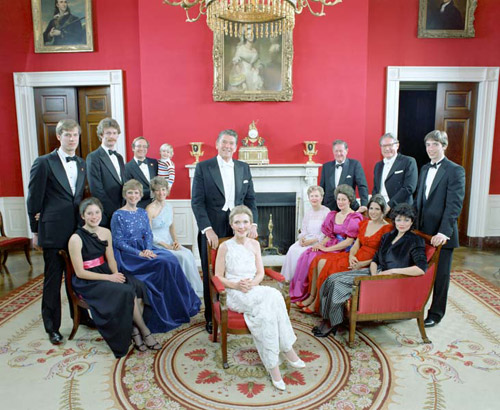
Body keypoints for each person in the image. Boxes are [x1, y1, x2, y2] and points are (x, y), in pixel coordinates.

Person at [215, 205, 305, 391]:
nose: (241, 226)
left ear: (250, 224)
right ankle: (285, 353)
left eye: (245, 222)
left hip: (252, 289)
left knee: (269, 307)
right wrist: (236, 285)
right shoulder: (225, 247)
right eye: (237, 222)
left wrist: (252, 284)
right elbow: (217, 276)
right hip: (234, 293)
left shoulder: (255, 244)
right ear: (231, 224)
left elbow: (260, 273)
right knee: (272, 298)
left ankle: (276, 363)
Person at [314, 203, 428, 338]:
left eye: (406, 220)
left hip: (391, 279)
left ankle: (333, 323)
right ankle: (327, 318)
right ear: (394, 221)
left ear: (412, 221)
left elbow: (421, 269)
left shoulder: (415, 241)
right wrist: (374, 276)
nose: (402, 224)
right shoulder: (388, 236)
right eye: (398, 220)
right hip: (375, 272)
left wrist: (391, 272)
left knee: (338, 284)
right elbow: (375, 259)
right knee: (331, 279)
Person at [68, 198, 161, 357]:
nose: (94, 216)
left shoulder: (106, 232)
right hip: (88, 281)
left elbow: (111, 259)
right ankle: (144, 331)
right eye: (89, 213)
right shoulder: (75, 239)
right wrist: (109, 278)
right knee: (126, 292)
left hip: (105, 271)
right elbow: (80, 273)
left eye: (97, 212)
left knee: (138, 286)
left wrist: (116, 274)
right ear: (83, 216)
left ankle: (134, 330)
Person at [111, 179, 201, 333]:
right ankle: (164, 312)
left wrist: (147, 249)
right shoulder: (118, 215)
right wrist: (139, 253)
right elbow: (118, 242)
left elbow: (148, 234)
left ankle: (181, 305)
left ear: (140, 195)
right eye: (130, 193)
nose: (133, 196)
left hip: (146, 249)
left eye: (136, 193)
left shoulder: (141, 212)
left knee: (171, 260)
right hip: (129, 256)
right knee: (163, 263)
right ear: (125, 195)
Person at [191, 129, 258, 334]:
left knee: (236, 268)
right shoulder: (203, 167)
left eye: (231, 143)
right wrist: (207, 230)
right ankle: (211, 317)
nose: (227, 146)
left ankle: (239, 310)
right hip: (212, 226)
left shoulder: (243, 167)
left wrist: (253, 224)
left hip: (239, 226)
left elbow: (251, 199)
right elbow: (197, 202)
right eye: (224, 142)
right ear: (217, 144)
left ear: (235, 147)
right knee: (211, 271)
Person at [27, 118, 87, 345]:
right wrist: (35, 232)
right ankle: (52, 327)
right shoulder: (44, 162)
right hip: (52, 231)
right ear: (59, 136)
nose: (72, 139)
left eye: (75, 135)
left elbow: (78, 197)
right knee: (53, 280)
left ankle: (81, 316)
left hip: (76, 231)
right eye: (68, 135)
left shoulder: (81, 163)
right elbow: (34, 199)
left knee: (78, 276)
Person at [300, 194, 393, 313]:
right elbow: (356, 245)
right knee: (319, 260)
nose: (373, 212)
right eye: (371, 208)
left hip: (366, 262)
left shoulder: (387, 228)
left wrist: (362, 264)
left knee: (326, 265)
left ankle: (316, 303)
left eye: (377, 209)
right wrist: (351, 256)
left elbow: (382, 255)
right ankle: (311, 297)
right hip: (354, 256)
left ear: (382, 211)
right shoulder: (365, 223)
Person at [415, 130, 465, 328]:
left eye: (435, 144)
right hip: (422, 232)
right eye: (428, 145)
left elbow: (454, 205)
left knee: (440, 276)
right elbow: (420, 200)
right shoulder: (424, 168)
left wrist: (443, 232)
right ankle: (414, 308)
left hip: (441, 234)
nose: (430, 149)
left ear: (444, 146)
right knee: (421, 272)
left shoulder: (455, 170)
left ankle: (436, 314)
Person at [290, 184, 363, 306]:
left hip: (343, 249)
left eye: (343, 199)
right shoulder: (334, 214)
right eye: (338, 199)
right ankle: (308, 295)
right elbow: (329, 235)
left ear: (350, 200)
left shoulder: (354, 217)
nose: (340, 202)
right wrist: (320, 245)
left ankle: (315, 299)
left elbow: (348, 242)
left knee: (317, 259)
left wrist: (327, 249)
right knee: (309, 254)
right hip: (331, 243)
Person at [147, 177, 203, 298]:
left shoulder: (169, 206)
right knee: (181, 257)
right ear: (153, 192)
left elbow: (172, 227)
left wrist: (176, 241)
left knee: (188, 253)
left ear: (167, 191)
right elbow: (148, 234)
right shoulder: (149, 209)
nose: (161, 193)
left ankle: (191, 289)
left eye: (163, 189)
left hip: (169, 241)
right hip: (156, 244)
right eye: (157, 190)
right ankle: (181, 290)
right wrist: (165, 245)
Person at [281, 186, 330, 281]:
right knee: (292, 249)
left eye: (316, 196)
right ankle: (289, 280)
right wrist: (302, 239)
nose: (314, 198)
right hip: (307, 240)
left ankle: (300, 281)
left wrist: (313, 241)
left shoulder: (326, 212)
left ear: (321, 198)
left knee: (301, 253)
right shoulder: (308, 212)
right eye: (312, 196)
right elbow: (304, 230)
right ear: (309, 198)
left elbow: (326, 233)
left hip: (319, 242)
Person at [86, 118, 126, 227]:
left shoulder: (119, 157)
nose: (112, 136)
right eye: (108, 133)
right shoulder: (93, 157)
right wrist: (114, 212)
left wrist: (124, 209)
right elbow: (96, 190)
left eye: (114, 133)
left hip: (122, 210)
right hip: (106, 213)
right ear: (101, 135)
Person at [372, 133, 418, 213]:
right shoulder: (378, 166)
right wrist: (375, 205)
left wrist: (389, 205)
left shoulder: (408, 161)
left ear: (397, 145)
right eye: (384, 146)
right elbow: (376, 189)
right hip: (381, 209)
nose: (387, 149)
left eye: (390, 145)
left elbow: (409, 188)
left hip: (401, 210)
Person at [319, 140, 369, 213]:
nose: (338, 154)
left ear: (346, 151)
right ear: (333, 151)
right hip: (329, 208)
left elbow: (362, 186)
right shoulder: (326, 166)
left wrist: (364, 204)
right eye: (336, 151)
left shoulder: (355, 164)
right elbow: (322, 188)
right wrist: (320, 205)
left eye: (341, 151)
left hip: (349, 207)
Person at [124, 137, 158, 209]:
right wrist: (152, 193)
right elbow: (130, 190)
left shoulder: (154, 163)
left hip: (156, 205)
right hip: (139, 207)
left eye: (144, 146)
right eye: (139, 146)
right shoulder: (127, 167)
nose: (141, 149)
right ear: (133, 148)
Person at [228, 26, 264, 91]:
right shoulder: (241, 49)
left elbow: (257, 64)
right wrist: (242, 79)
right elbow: (236, 64)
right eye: (248, 34)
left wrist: (256, 69)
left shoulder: (255, 51)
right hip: (242, 73)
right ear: (245, 36)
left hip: (252, 74)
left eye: (252, 34)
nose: (250, 36)